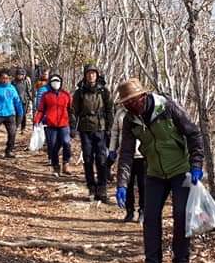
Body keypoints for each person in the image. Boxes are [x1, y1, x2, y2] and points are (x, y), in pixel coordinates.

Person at [114, 78, 204, 263]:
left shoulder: (167, 107)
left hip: (181, 170)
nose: (130, 106)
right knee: (150, 218)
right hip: (154, 172)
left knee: (181, 214)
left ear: (143, 97)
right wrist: (122, 184)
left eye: (132, 101)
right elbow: (127, 152)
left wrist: (196, 164)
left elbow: (194, 133)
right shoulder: (130, 119)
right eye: (126, 103)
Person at [71, 65, 114, 202]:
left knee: (101, 160)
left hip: (100, 129)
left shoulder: (104, 92)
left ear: (97, 75)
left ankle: (102, 190)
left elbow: (109, 111)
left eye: (93, 73)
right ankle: (91, 187)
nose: (91, 76)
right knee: (88, 159)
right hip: (85, 130)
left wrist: (109, 129)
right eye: (88, 73)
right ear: (85, 75)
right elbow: (74, 112)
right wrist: (73, 128)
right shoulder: (80, 92)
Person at [33, 74, 74, 176]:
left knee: (66, 143)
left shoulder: (66, 95)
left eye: (58, 81)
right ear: (50, 83)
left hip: (64, 124)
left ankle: (66, 163)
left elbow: (71, 110)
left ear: (61, 82)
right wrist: (37, 120)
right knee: (53, 147)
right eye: (53, 81)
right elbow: (41, 110)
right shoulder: (46, 95)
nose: (56, 83)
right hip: (50, 125)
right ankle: (56, 167)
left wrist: (73, 126)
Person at [109, 107, 144, 223]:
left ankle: (143, 211)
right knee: (126, 184)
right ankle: (129, 211)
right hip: (125, 154)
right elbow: (115, 132)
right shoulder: (120, 112)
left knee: (143, 184)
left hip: (143, 155)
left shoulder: (143, 111)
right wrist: (112, 149)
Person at [13, 68, 34, 134]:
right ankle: (15, 127)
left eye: (21, 75)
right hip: (16, 101)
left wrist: (31, 98)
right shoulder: (13, 82)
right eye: (19, 75)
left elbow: (28, 91)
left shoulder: (25, 82)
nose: (20, 76)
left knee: (23, 114)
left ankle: (23, 128)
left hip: (24, 100)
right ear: (16, 75)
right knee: (17, 114)